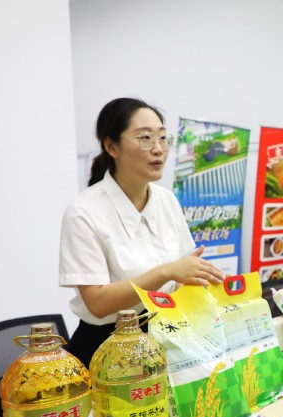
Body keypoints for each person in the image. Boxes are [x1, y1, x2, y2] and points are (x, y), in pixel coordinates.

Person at [59, 98, 225, 368]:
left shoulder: (166, 200)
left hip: (165, 336)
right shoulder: (83, 212)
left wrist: (194, 280)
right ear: (112, 146)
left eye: (163, 138)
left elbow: (180, 277)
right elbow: (97, 303)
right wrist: (166, 272)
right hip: (106, 350)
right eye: (145, 138)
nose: (158, 149)